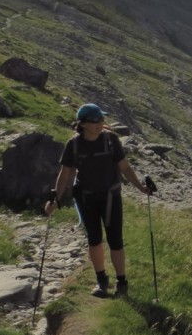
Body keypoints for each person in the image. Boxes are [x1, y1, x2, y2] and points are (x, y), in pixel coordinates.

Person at [45, 103, 152, 297]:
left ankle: (121, 284)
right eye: (95, 120)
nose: (100, 123)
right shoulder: (74, 144)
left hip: (110, 196)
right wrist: (55, 198)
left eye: (101, 119)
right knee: (94, 240)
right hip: (86, 198)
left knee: (115, 241)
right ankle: (101, 281)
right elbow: (65, 173)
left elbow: (125, 168)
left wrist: (141, 187)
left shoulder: (111, 140)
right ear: (83, 123)